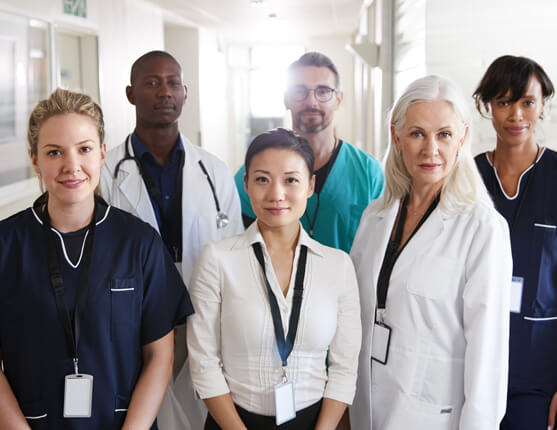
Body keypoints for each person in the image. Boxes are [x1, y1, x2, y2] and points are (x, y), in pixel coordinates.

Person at [0, 88, 193, 429]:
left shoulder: (140, 243)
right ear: (35, 159)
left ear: (102, 153)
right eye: (54, 152)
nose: (71, 166)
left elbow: (160, 356)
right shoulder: (6, 245)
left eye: (84, 149)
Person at [350, 75, 512, 430]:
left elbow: (488, 356)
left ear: (462, 139)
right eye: (417, 133)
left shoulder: (482, 228)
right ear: (397, 137)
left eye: (444, 134)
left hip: (432, 415)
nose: (430, 149)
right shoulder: (376, 215)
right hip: (367, 408)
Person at [100, 51, 243, 429]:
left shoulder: (214, 170)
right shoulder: (103, 172)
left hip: (202, 308)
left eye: (173, 82)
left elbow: (234, 252)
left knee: (197, 407)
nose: (165, 92)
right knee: (145, 409)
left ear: (185, 92)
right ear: (130, 94)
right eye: (152, 82)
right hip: (133, 316)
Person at [187, 128, 361, 429]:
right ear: (246, 184)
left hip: (314, 420)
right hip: (233, 421)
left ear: (310, 185)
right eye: (262, 179)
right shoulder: (217, 259)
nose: (276, 194)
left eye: (291, 180)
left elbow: (344, 368)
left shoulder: (337, 265)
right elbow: (204, 363)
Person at [473, 55, 557, 430]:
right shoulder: (466, 179)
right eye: (504, 102)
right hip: (469, 364)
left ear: (543, 106)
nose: (516, 115)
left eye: (527, 102)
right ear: (486, 105)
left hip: (537, 371)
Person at [234, 51, 384, 253]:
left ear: (338, 99)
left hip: (348, 284)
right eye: (299, 91)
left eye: (323, 91)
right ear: (286, 99)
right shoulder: (257, 173)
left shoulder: (369, 173)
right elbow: (237, 247)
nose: (311, 101)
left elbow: (381, 248)